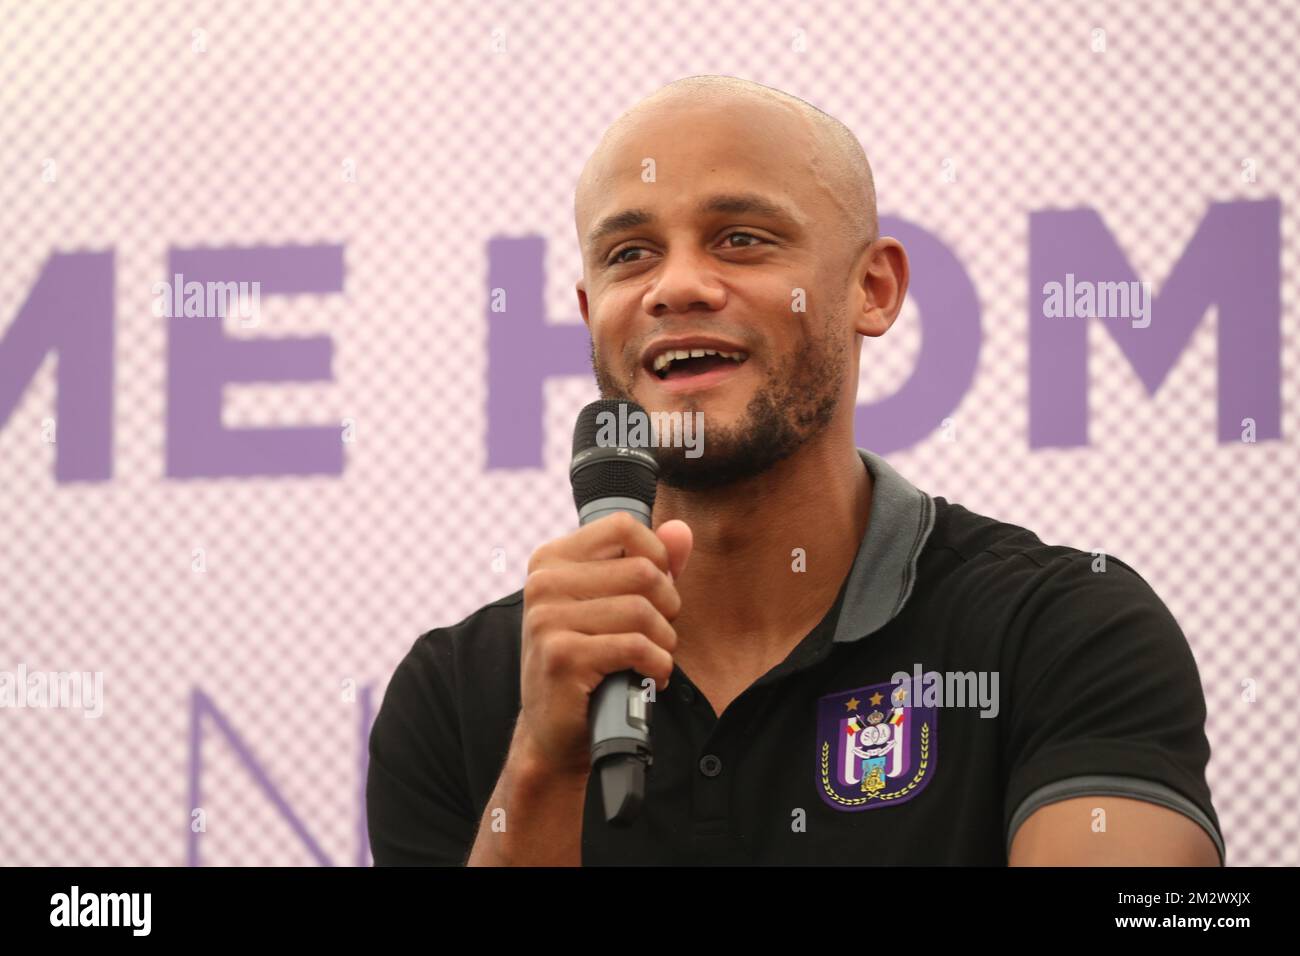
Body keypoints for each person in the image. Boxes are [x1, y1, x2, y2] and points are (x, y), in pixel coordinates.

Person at [366, 75, 1224, 866]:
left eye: (741, 239)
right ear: (593, 316)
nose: (678, 286)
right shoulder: (456, 694)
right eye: (630, 253)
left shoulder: (1063, 632)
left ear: (874, 289)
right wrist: (545, 765)